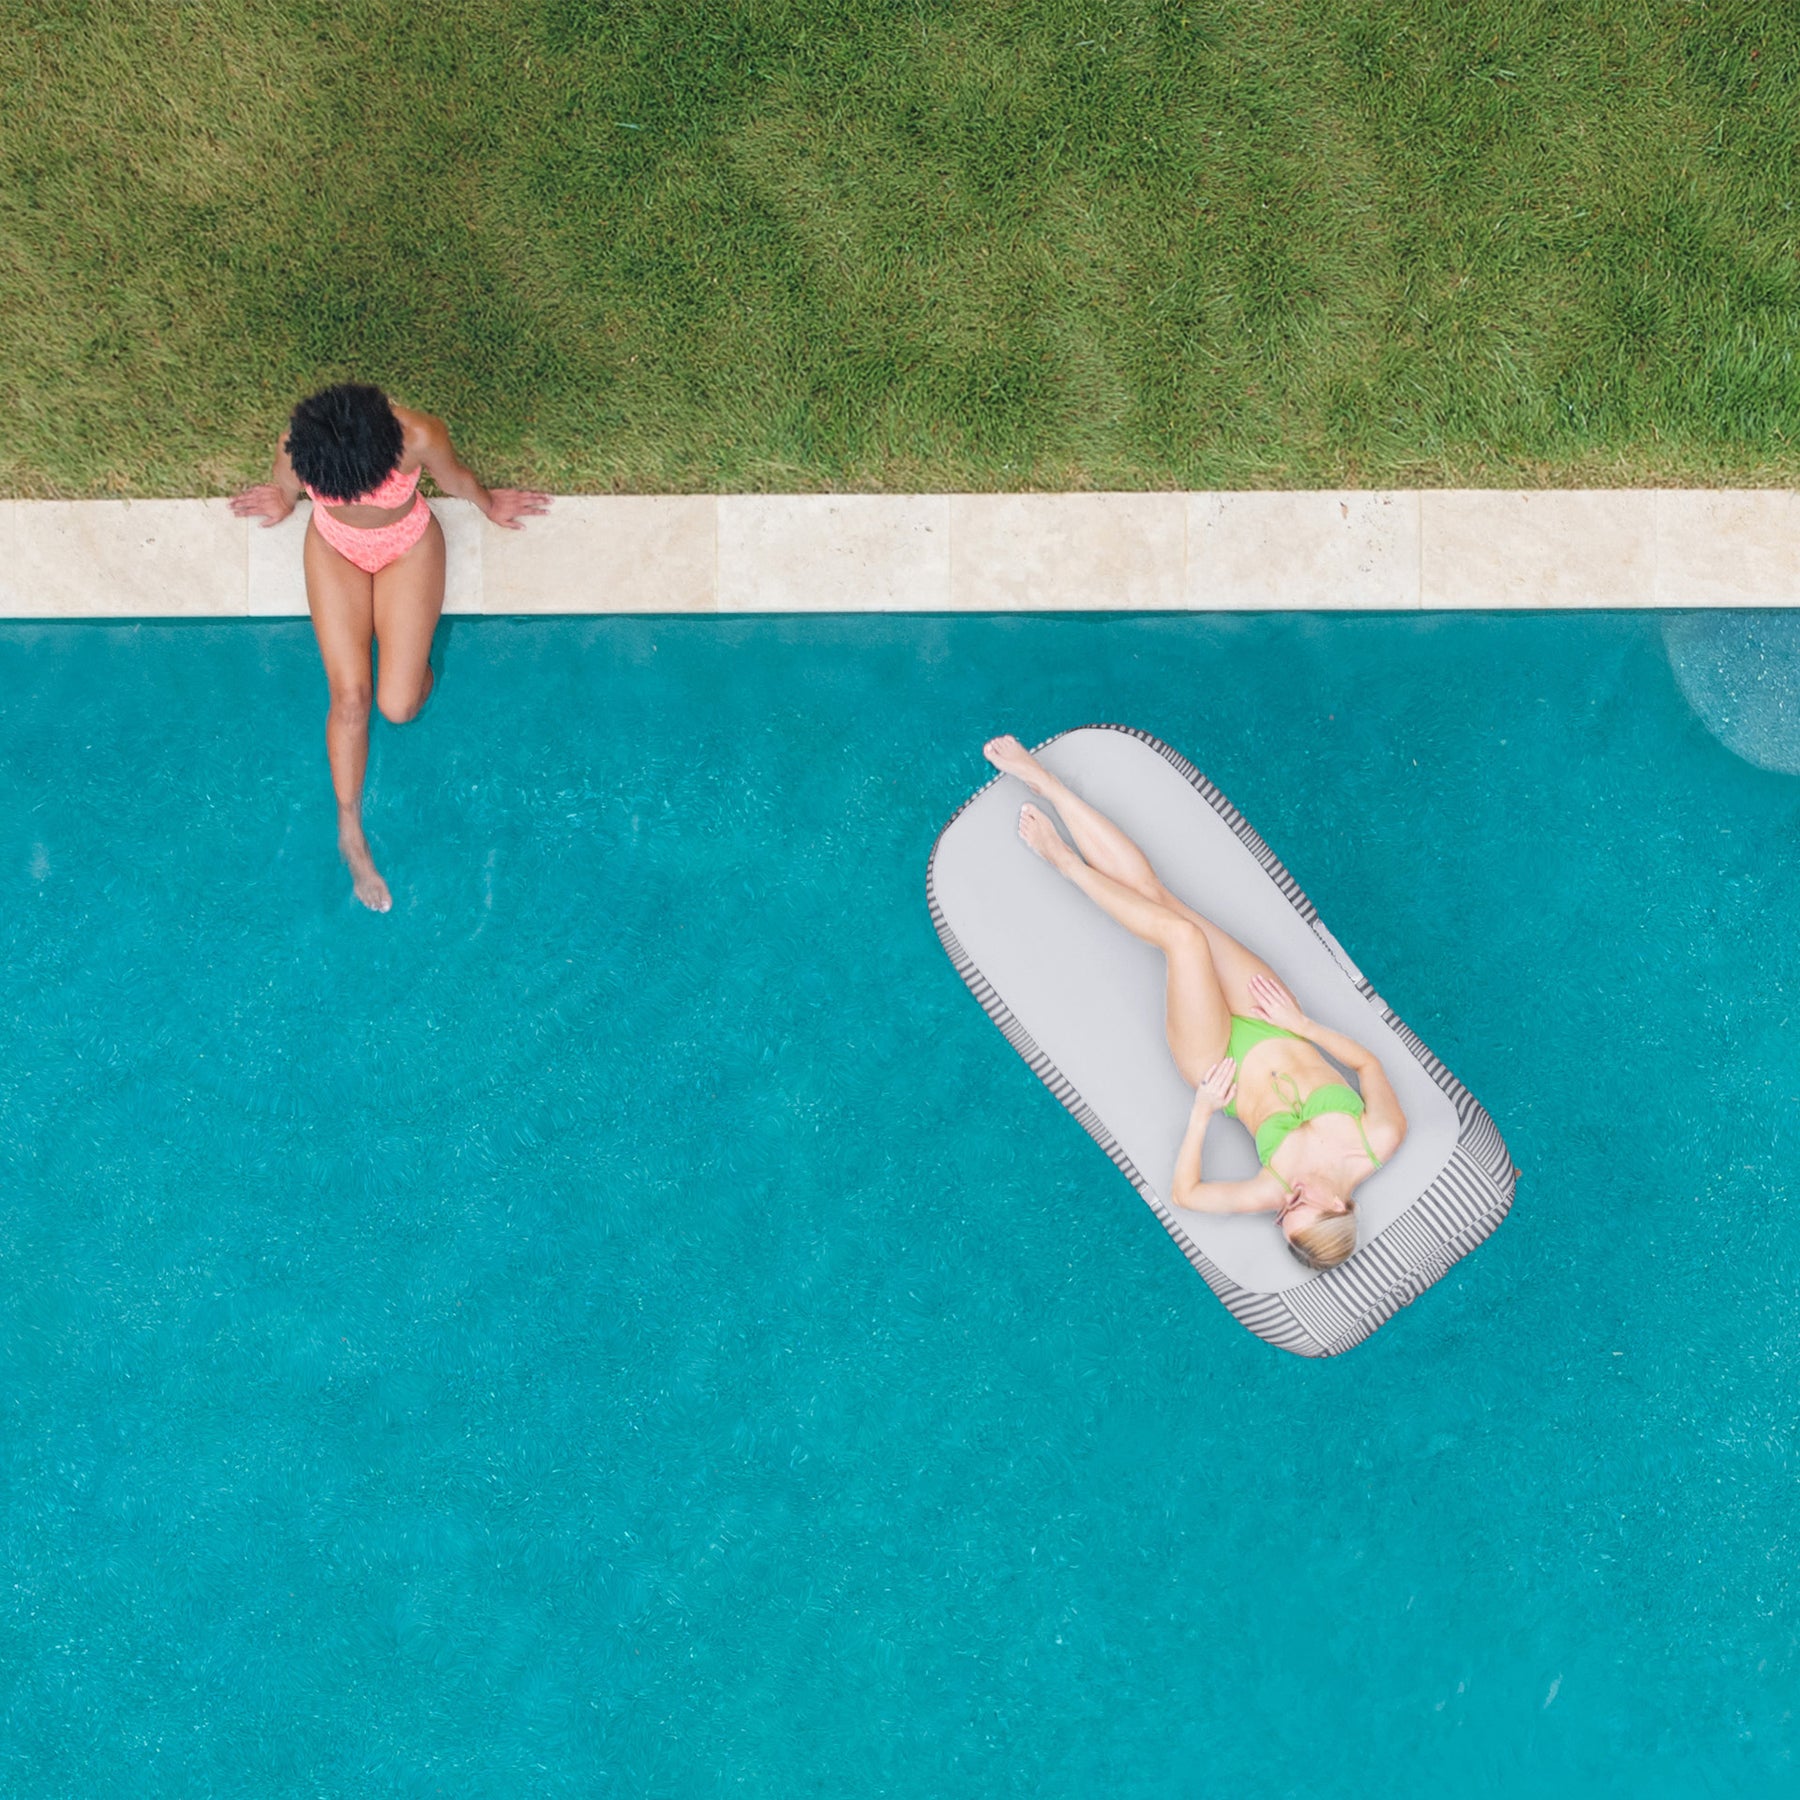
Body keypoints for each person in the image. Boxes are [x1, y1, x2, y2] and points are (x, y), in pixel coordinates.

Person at [982, 735, 1406, 1269]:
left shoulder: (1270, 1190)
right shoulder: (1379, 1138)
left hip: (1214, 1058)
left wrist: (1203, 1110)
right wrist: (1302, 1025)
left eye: (1283, 1215)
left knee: (1182, 939)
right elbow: (1368, 1065)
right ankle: (1047, 784)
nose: (1287, 1201)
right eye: (1301, 1204)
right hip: (1276, 1021)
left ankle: (1064, 861)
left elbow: (1186, 1194)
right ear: (1340, 1207)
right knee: (1164, 900)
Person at [231, 384, 548, 911]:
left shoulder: (417, 435)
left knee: (399, 707)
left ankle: (408, 648)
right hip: (334, 549)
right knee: (350, 699)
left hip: (407, 547)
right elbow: (286, 485)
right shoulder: (299, 443)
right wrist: (282, 499)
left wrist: (490, 504)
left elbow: (456, 479)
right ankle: (349, 831)